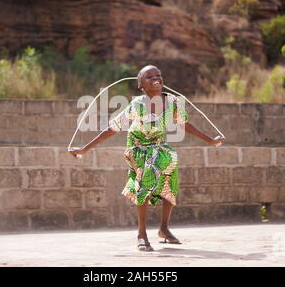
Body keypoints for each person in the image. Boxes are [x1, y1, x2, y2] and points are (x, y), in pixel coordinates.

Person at [69, 65, 224, 252]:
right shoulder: (137, 105)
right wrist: (85, 149)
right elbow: (113, 128)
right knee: (145, 179)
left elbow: (185, 124)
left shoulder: (174, 102)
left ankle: (164, 229)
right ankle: (141, 234)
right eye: (149, 76)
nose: (156, 78)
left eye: (158, 75)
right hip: (138, 147)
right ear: (141, 85)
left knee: (170, 174)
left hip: (159, 145)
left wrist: (211, 141)